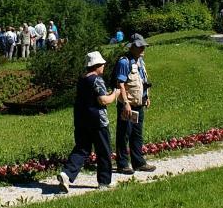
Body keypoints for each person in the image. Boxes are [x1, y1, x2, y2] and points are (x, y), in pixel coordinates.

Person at [57, 51, 117, 192]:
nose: (103, 67)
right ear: (97, 66)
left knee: (82, 148)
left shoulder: (82, 79)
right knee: (103, 150)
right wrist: (115, 94)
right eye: (102, 64)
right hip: (97, 121)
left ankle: (67, 173)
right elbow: (103, 100)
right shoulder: (97, 80)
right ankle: (104, 182)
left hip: (81, 119)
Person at [114, 33, 156, 174]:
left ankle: (139, 162)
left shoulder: (140, 61)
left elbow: (142, 81)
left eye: (143, 45)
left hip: (139, 105)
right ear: (131, 47)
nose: (143, 48)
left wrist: (146, 97)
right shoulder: (124, 62)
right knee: (124, 134)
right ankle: (122, 164)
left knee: (137, 135)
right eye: (139, 46)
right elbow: (120, 84)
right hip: (127, 106)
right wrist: (125, 103)